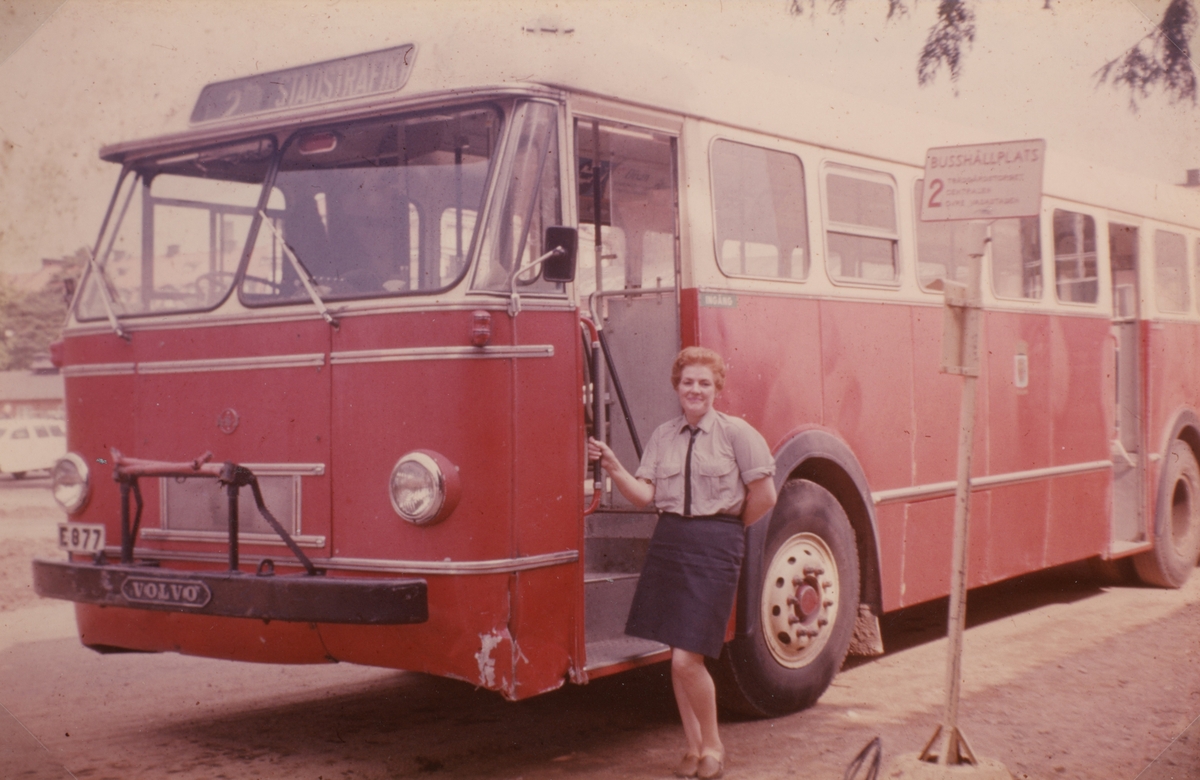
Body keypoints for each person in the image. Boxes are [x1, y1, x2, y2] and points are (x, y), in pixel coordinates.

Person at [588, 346, 777, 780]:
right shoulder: (663, 436)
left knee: (685, 660)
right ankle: (692, 749)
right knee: (677, 652)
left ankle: (713, 746)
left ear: (716, 389)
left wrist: (727, 531)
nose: (695, 390)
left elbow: (765, 496)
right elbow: (645, 496)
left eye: (704, 383)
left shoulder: (737, 434)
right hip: (670, 542)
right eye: (688, 382)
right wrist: (615, 466)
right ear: (677, 387)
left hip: (715, 543)